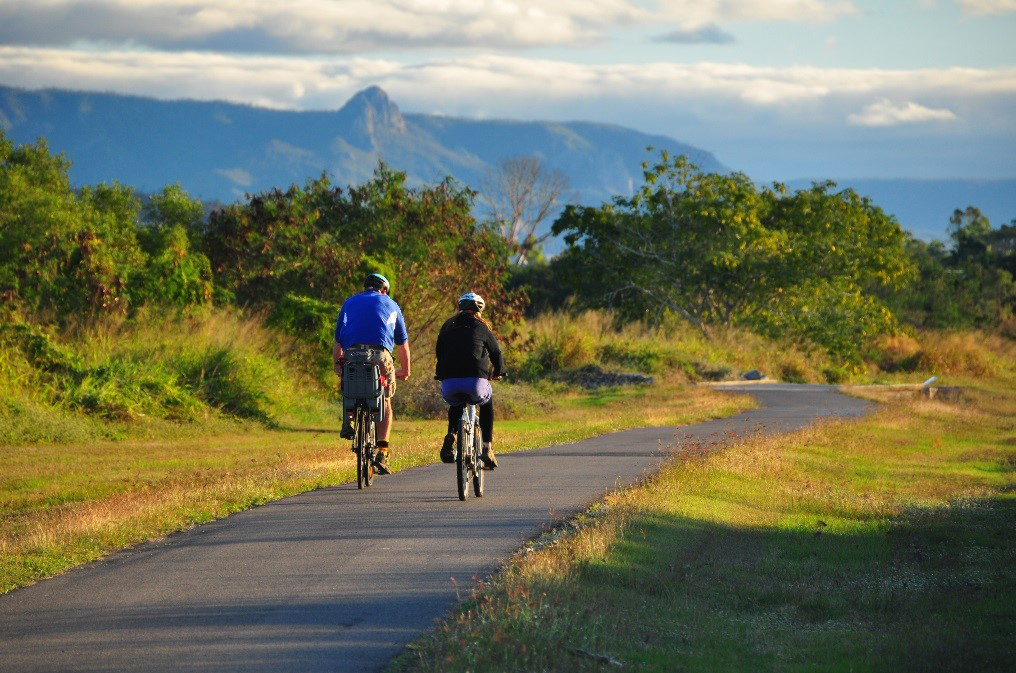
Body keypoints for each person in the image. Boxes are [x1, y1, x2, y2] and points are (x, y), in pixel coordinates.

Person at [333, 273, 411, 475]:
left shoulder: (349, 302)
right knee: (385, 399)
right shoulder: (392, 304)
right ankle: (382, 451)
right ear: (384, 289)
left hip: (351, 353)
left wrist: (337, 366)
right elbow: (402, 345)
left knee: (349, 385)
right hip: (379, 355)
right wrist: (405, 370)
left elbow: (338, 341)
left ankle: (348, 421)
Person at [435, 292, 504, 469]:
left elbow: (439, 352)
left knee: (456, 403)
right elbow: (496, 353)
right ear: (479, 310)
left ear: (460, 308)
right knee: (487, 401)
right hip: (476, 382)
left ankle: (451, 433)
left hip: (450, 383)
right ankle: (487, 447)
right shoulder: (482, 327)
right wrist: (499, 371)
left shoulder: (447, 325)